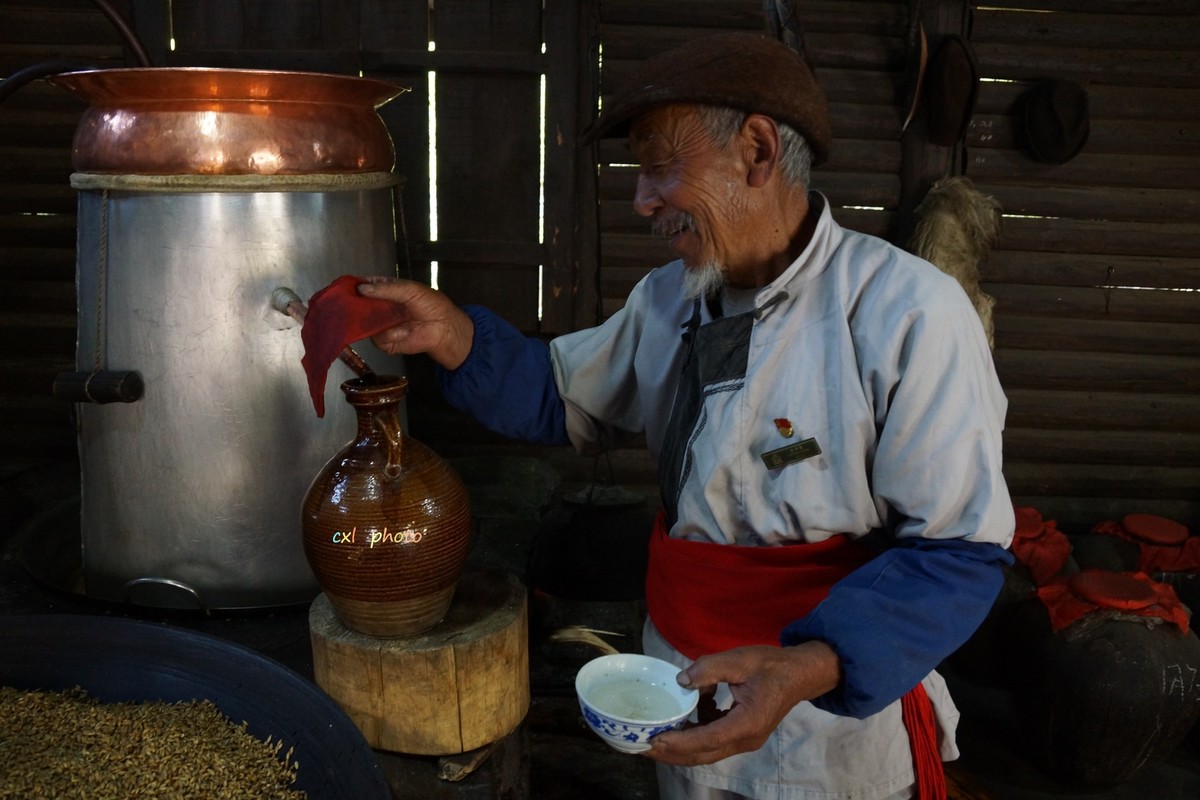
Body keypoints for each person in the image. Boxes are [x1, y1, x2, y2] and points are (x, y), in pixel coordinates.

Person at [357, 31, 1015, 800]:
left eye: (662, 166)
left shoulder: (907, 313)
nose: (643, 200)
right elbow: (563, 395)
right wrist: (455, 336)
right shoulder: (668, 299)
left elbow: (958, 552)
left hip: (826, 721)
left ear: (758, 152)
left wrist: (808, 666)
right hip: (679, 679)